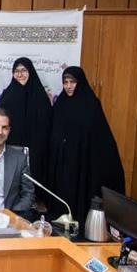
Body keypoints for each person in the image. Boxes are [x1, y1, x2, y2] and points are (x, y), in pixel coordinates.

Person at [48, 67, 124, 222]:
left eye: (72, 82)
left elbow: (99, 136)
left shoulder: (91, 104)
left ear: (80, 83)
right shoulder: (60, 103)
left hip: (83, 160)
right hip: (64, 161)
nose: (69, 86)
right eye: (65, 82)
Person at [0, 57, 52, 187]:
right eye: (16, 71)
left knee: (32, 183)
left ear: (30, 72)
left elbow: (47, 124)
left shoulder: (40, 96)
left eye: (24, 70)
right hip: (11, 147)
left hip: (35, 148)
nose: (20, 74)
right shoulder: (8, 95)